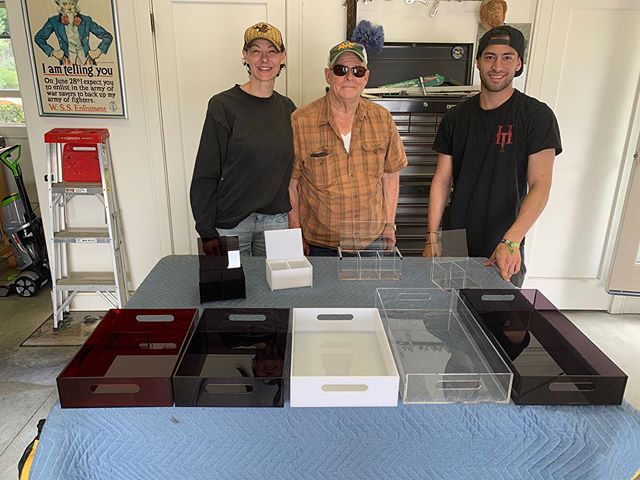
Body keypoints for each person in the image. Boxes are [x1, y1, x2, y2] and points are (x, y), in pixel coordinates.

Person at [423, 25, 562, 287]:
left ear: (519, 63)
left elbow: (541, 185)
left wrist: (512, 240)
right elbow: (441, 180)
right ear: (478, 62)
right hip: (456, 236)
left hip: (504, 238)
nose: (497, 66)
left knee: (498, 319)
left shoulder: (536, 116)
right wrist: (432, 236)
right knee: (449, 314)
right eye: (489, 56)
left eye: (507, 57)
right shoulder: (455, 118)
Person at [288, 41, 407, 255]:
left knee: (370, 291)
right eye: (341, 70)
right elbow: (291, 183)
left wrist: (389, 224)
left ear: (366, 77)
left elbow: (391, 176)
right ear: (328, 75)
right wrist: (295, 232)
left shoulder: (383, 119)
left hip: (372, 241)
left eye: (357, 71)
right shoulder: (300, 121)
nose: (349, 77)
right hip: (319, 245)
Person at [190, 22, 296, 256]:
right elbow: (206, 171)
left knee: (279, 291)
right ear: (245, 56)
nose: (264, 59)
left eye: (272, 51)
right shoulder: (223, 105)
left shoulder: (288, 109)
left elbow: (294, 173)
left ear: (282, 57)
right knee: (229, 291)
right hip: (232, 224)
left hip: (277, 222)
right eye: (256, 51)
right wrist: (206, 230)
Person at [34, 0, 113, 65]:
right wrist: (53, 52)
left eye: (71, 4)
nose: (69, 8)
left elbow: (107, 36)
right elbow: (39, 38)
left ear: (75, 5)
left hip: (87, 61)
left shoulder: (86, 20)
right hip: (67, 61)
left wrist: (98, 51)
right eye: (65, 4)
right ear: (60, 6)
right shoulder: (54, 21)